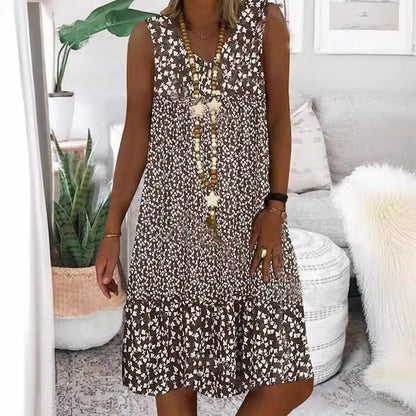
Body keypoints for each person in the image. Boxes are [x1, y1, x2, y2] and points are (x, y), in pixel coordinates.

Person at [95, 0, 314, 415]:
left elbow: (278, 120)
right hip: (170, 232)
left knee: (291, 381)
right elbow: (136, 134)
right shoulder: (148, 38)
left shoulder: (264, 22)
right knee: (174, 371)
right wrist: (111, 231)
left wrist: (276, 207)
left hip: (250, 228)